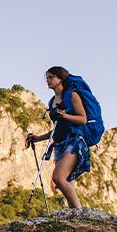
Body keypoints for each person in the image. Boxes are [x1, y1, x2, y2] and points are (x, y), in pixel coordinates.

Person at [26, 66, 90, 209]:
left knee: (58, 178)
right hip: (60, 144)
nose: (48, 80)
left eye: (51, 77)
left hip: (74, 141)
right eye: (47, 77)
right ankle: (76, 218)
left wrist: (65, 115)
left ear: (61, 78)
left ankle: (79, 214)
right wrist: (38, 138)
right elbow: (57, 128)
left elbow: (83, 119)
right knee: (66, 183)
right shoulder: (52, 102)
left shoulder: (72, 95)